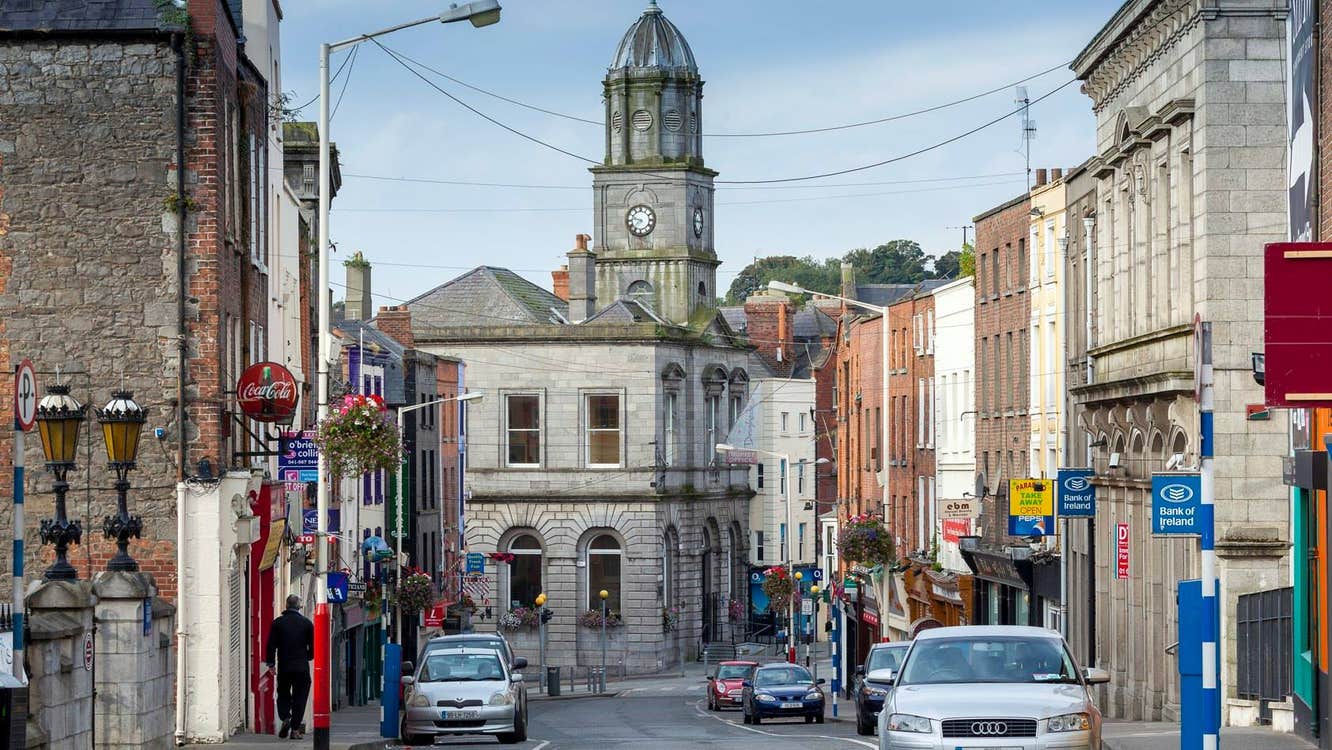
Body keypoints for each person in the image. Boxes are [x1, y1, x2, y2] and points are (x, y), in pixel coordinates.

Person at [265, 594, 314, 739]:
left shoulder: (278, 623)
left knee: (283, 693)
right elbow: (313, 646)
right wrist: (308, 656)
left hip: (284, 666)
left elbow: (271, 645)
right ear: (298, 606)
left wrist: (271, 663)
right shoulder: (306, 623)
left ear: (286, 606)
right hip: (301, 667)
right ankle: (295, 729)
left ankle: (285, 717)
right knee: (300, 697)